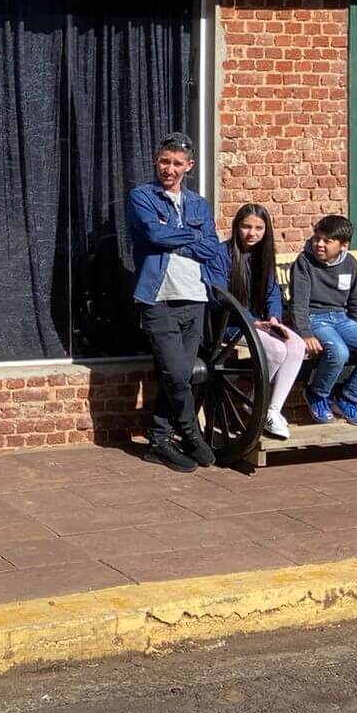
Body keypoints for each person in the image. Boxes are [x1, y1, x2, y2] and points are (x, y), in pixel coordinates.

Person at [128, 132, 230, 474]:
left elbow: (211, 247)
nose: (169, 169)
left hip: (194, 297)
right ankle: (190, 433)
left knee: (181, 375)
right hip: (158, 299)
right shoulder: (142, 196)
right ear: (156, 161)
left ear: (189, 166)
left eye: (176, 163)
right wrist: (192, 236)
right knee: (175, 373)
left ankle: (159, 440)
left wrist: (176, 237)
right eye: (164, 161)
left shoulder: (199, 204)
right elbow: (154, 234)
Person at [291, 214, 357, 429]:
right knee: (339, 352)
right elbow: (299, 302)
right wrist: (305, 333)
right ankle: (317, 393)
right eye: (317, 238)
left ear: (343, 245)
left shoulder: (350, 263)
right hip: (316, 318)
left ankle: (349, 398)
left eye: (327, 241)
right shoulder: (304, 262)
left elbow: (356, 300)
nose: (319, 244)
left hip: (341, 318)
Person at [228, 204, 306, 441]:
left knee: (296, 345)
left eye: (258, 228)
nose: (252, 233)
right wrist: (253, 322)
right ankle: (254, 401)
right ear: (237, 227)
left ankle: (272, 409)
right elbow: (221, 296)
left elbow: (273, 292)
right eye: (246, 227)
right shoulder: (223, 254)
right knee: (276, 348)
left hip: (260, 323)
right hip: (232, 324)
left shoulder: (264, 256)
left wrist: (273, 318)